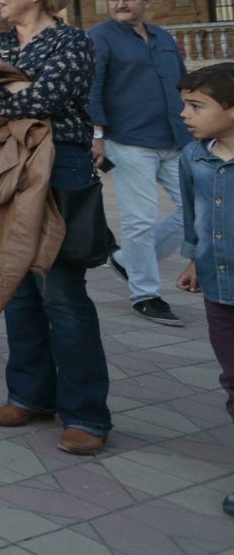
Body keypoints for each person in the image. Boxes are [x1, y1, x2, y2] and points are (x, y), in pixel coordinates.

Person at [0, 0, 111, 456]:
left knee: (60, 289)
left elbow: (46, 100)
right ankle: (30, 394)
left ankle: (86, 412)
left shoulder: (72, 42)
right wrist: (2, 90)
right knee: (15, 282)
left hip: (57, 168)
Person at [89, 0, 193, 326]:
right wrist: (97, 134)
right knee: (139, 219)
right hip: (128, 140)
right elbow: (93, 87)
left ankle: (127, 261)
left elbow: (182, 83)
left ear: (146, 1)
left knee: (196, 209)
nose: (120, 4)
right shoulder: (100, 37)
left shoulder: (163, 37)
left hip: (174, 138)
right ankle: (145, 293)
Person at [172, 63, 234, 517]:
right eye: (184, 105)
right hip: (219, 288)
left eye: (197, 106)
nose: (185, 115)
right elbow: (194, 213)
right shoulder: (192, 157)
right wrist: (194, 257)